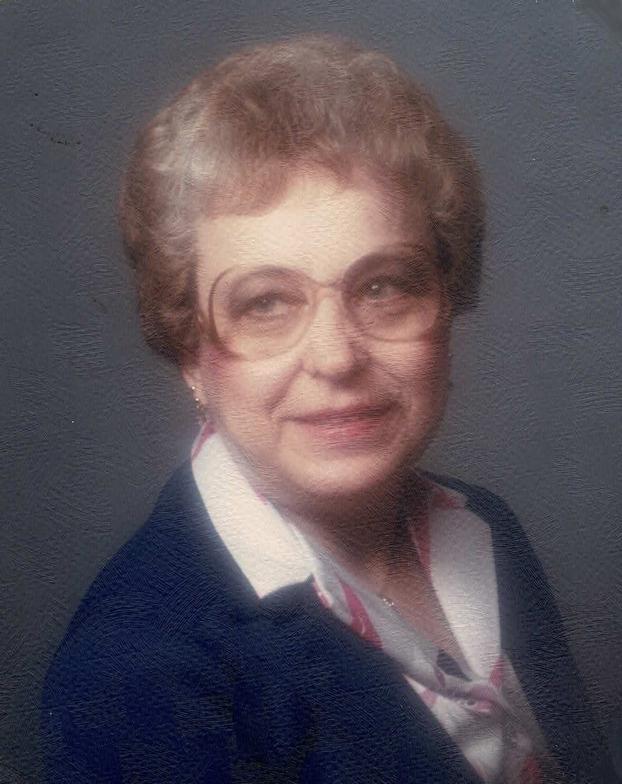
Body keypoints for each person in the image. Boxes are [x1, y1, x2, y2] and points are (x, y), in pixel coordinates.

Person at [41, 34, 616, 783]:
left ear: (447, 303)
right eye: (265, 303)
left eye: (384, 286)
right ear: (189, 351)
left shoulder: (484, 527)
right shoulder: (136, 675)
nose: (337, 356)